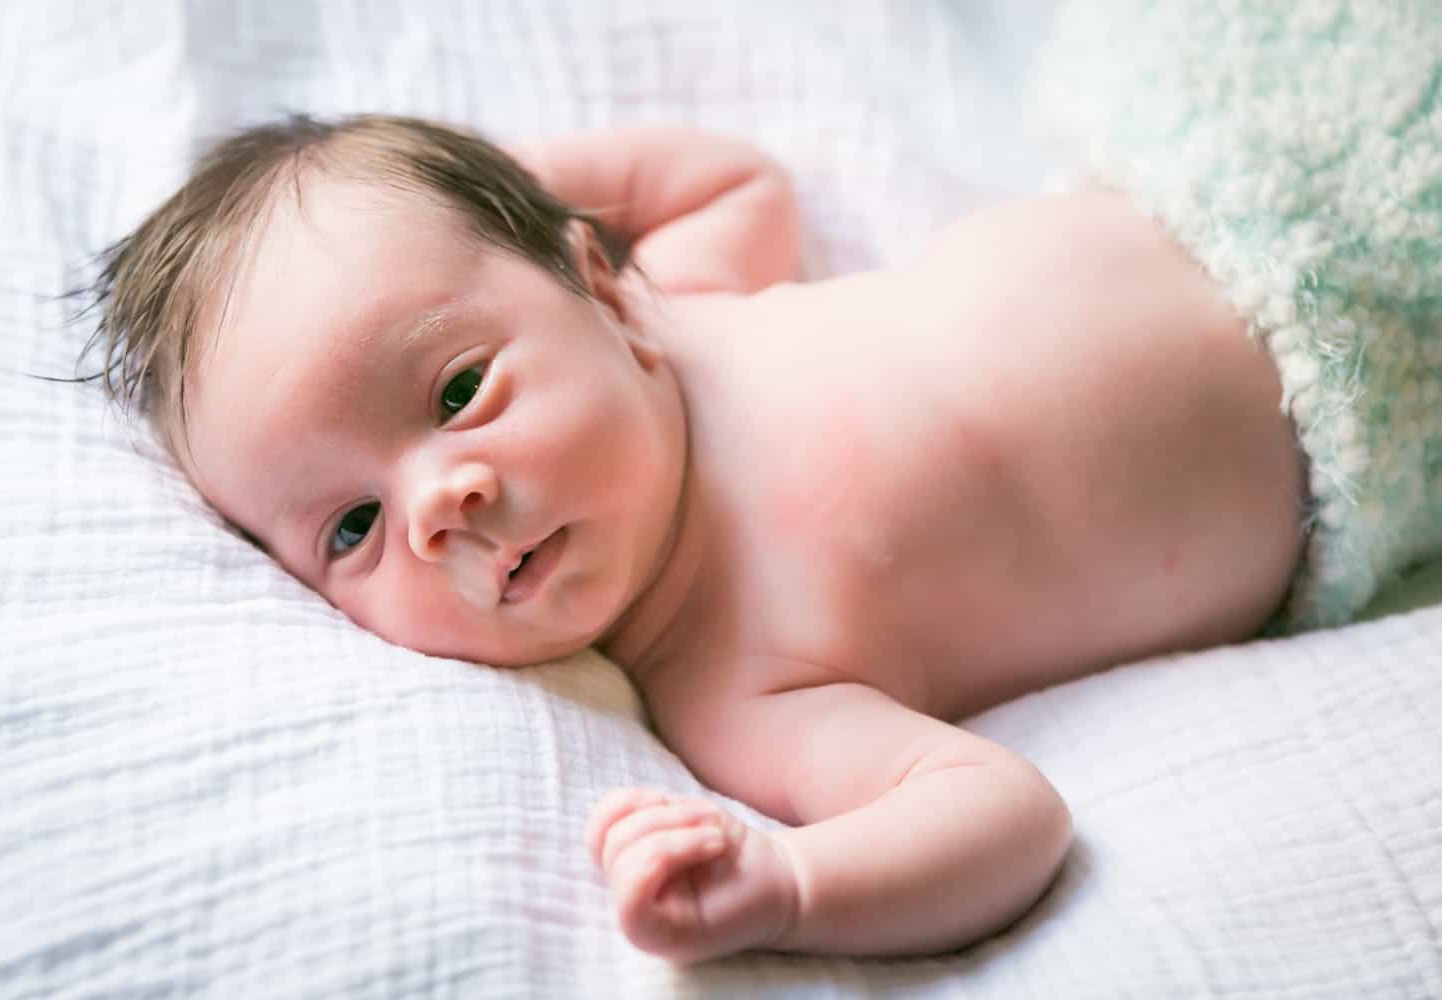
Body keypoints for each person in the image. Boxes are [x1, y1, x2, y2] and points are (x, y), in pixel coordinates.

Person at [83, 1, 1442, 953]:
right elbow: (1002, 816)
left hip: (1221, 175)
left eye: (456, 388)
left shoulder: (677, 316)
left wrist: (475, 203)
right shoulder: (730, 680)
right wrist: (790, 884)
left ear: (596, 290)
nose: (438, 501)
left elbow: (731, 177)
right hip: (1376, 383)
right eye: (352, 527)